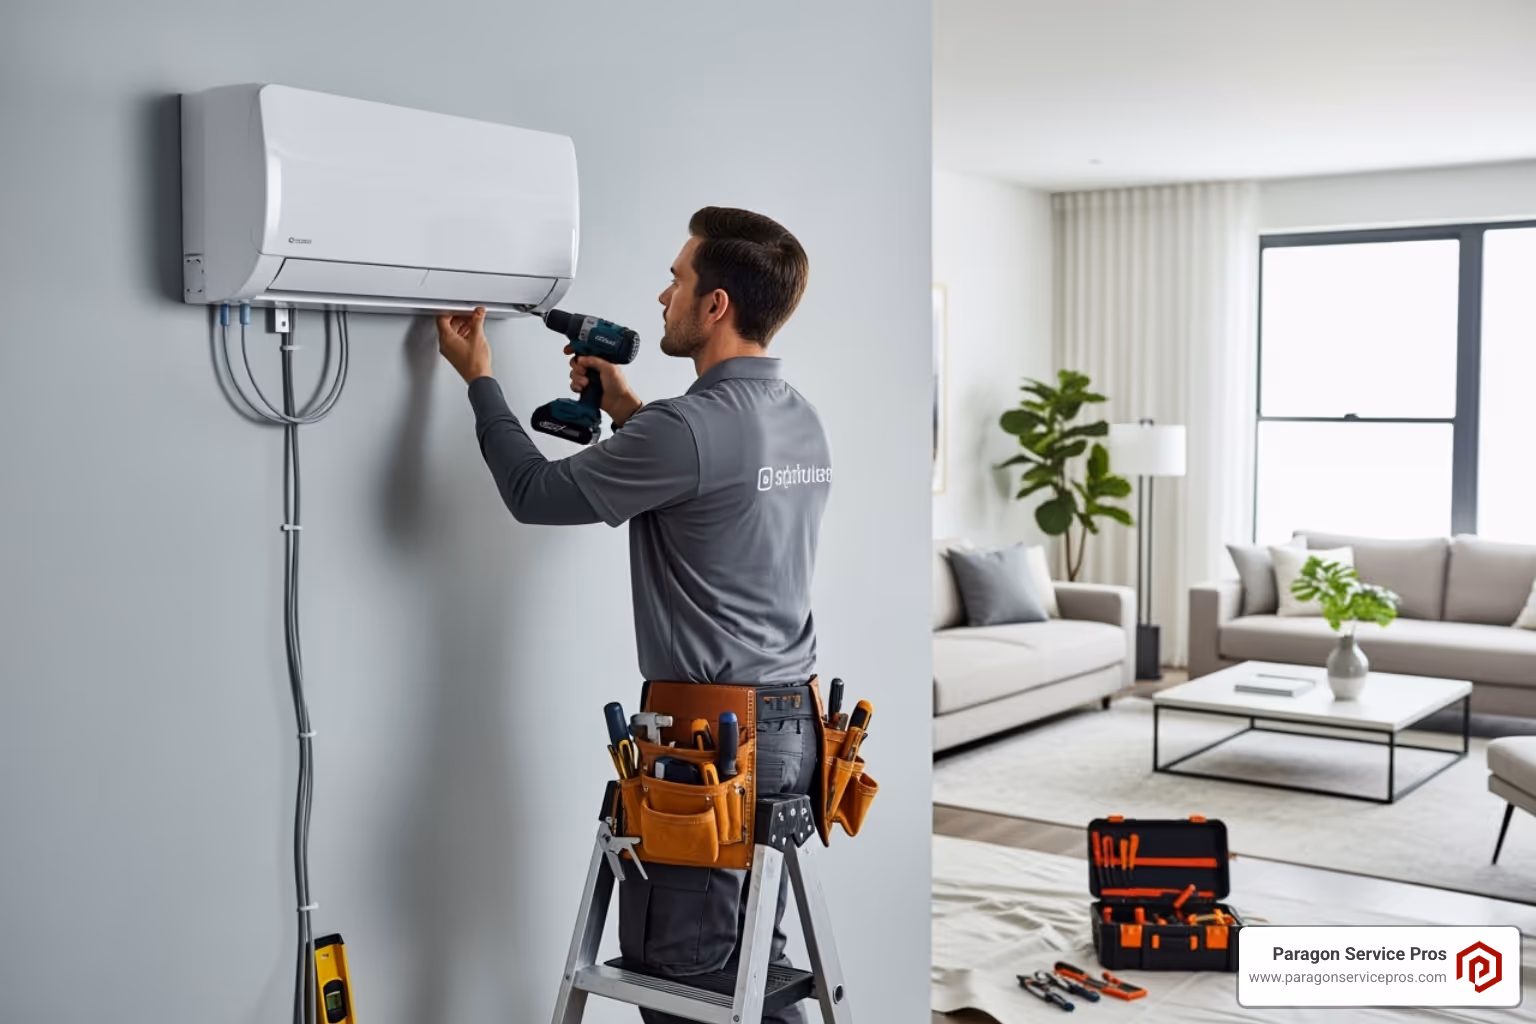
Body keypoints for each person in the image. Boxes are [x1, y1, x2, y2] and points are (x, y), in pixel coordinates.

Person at [434, 207, 829, 1024]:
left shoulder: (686, 429)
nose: (663, 293)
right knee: (748, 973)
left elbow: (533, 495)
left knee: (684, 986)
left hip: (710, 745)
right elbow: (703, 480)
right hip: (793, 729)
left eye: (678, 278)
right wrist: (625, 405)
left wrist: (479, 380)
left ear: (716, 305)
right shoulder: (796, 416)